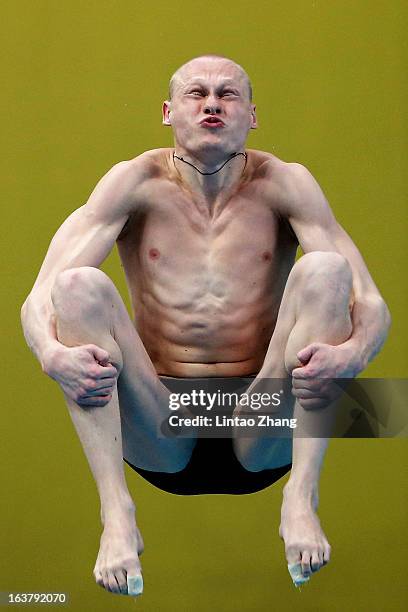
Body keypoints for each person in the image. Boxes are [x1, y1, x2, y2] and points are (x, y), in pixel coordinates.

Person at [21, 54, 390, 596]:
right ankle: (116, 511)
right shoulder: (132, 183)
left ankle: (301, 499)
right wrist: (52, 357)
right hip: (158, 421)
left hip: (261, 420)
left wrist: (354, 357)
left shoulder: (286, 184)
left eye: (228, 94)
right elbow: (37, 301)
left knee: (327, 270)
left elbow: (371, 303)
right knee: (76, 286)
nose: (213, 103)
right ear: (169, 112)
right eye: (197, 93)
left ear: (252, 116)